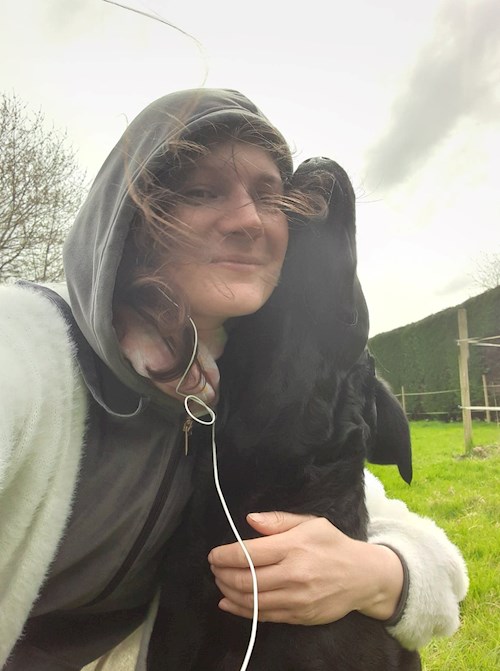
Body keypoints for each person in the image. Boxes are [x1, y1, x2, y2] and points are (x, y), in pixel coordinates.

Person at [0, 88, 468, 671]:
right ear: (131, 222)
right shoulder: (30, 348)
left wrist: (378, 574)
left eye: (269, 197)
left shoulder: (239, 380)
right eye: (201, 191)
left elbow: (434, 570)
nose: (248, 220)